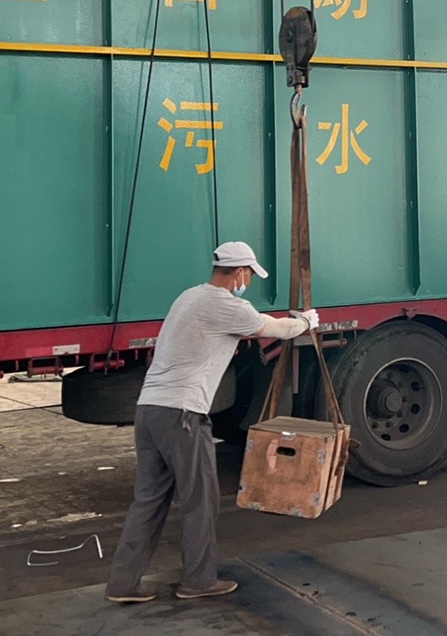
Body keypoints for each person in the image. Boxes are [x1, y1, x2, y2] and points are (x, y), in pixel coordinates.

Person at [105, 242, 318, 604]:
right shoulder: (226, 306)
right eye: (250, 275)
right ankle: (198, 580)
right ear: (240, 273)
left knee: (149, 500)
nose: (248, 282)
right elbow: (275, 329)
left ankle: (122, 584)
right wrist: (305, 321)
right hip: (183, 415)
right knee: (201, 500)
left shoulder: (188, 297)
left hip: (150, 409)